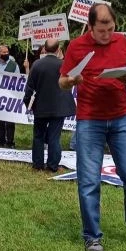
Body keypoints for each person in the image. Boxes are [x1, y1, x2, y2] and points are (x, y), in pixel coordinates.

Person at [59, 3, 126, 251]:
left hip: (121, 118)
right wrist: (71, 81)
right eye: (101, 30)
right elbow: (62, 81)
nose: (106, 35)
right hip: (89, 121)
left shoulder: (122, 42)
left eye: (110, 29)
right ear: (90, 26)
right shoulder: (77, 46)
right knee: (89, 180)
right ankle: (92, 236)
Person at [24, 39, 75, 172]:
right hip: (59, 107)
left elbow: (29, 87)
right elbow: (69, 84)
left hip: (40, 106)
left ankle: (38, 164)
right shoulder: (64, 65)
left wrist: (28, 103)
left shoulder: (37, 64)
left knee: (38, 136)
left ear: (45, 49)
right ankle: (53, 165)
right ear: (58, 50)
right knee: (54, 137)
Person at [0, 44, 20, 148]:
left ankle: (10, 142)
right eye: (3, 52)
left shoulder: (14, 65)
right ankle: (0, 141)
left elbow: (18, 80)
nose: (6, 54)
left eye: (7, 52)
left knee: (10, 121)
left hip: (10, 97)